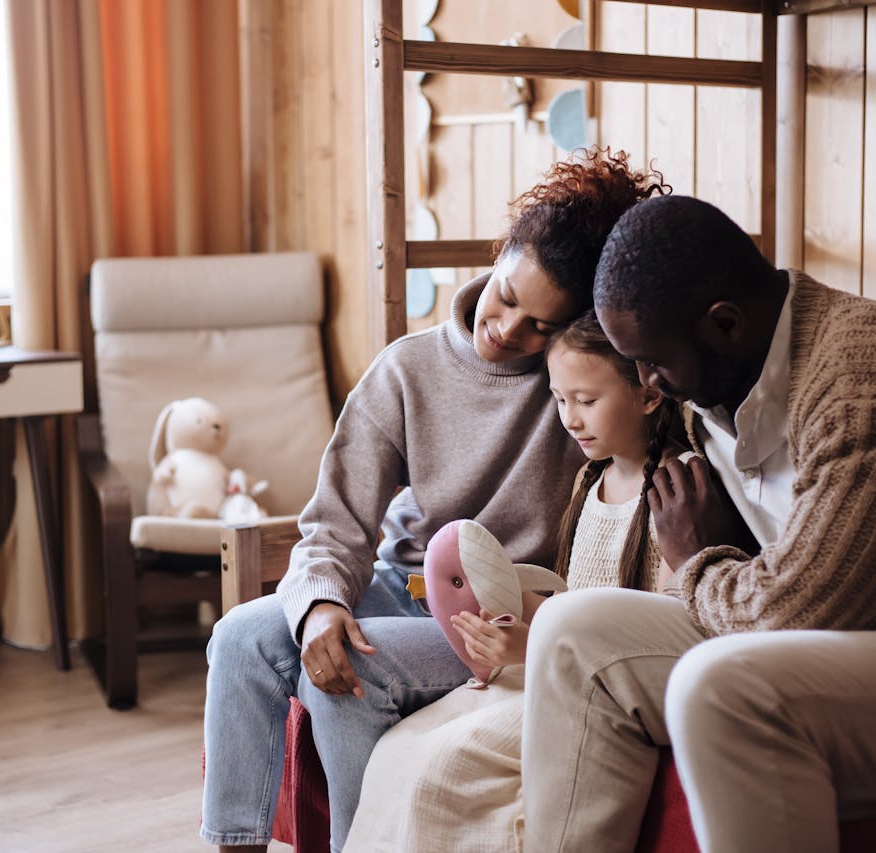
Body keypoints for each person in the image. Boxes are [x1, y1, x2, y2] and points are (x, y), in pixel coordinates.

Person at [520, 194, 876, 853]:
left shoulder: (867, 390)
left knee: (721, 686)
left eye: (653, 362)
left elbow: (797, 613)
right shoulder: (712, 380)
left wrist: (698, 558)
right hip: (865, 639)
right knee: (574, 632)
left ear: (725, 324)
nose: (648, 383)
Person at [200, 149, 669, 852]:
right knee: (240, 636)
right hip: (397, 584)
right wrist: (323, 602)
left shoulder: (575, 388)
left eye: (542, 324)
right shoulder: (408, 367)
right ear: (498, 255)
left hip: (493, 614)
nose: (509, 329)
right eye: (508, 296)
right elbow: (335, 521)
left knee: (349, 670)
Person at [343, 310, 685, 852]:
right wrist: (509, 617)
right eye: (560, 399)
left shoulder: (673, 489)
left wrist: (536, 644)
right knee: (397, 748)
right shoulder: (589, 478)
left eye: (587, 401)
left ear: (648, 395)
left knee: (445, 764)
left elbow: (662, 627)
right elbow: (572, 592)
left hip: (590, 682)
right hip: (543, 663)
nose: (570, 418)